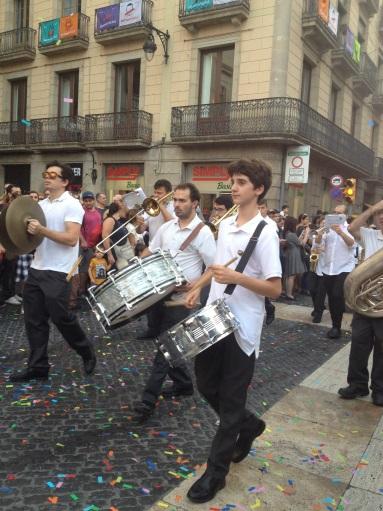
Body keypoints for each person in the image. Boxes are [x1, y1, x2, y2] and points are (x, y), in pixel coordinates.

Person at [185, 159, 282, 504]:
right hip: (214, 319)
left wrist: (238, 279)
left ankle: (215, 474)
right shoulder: (225, 224)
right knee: (206, 383)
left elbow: (274, 289)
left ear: (258, 189)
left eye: (241, 182)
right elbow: (219, 267)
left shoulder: (266, 231)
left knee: (230, 400)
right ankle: (250, 424)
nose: (233, 187)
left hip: (243, 326)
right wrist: (199, 285)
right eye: (232, 181)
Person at [133, 183, 216, 421]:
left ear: (195, 203)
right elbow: (150, 252)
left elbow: (214, 266)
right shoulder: (167, 227)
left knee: (165, 347)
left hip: (183, 299)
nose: (177, 204)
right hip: (160, 293)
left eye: (182, 201)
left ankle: (148, 400)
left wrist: (196, 285)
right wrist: (137, 257)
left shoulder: (203, 232)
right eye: (176, 200)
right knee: (166, 343)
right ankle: (184, 384)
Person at [9, 161, 97, 382]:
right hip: (37, 268)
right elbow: (33, 237)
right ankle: (38, 367)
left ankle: (86, 350)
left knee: (62, 318)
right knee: (34, 320)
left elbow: (70, 239)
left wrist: (41, 229)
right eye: (45, 174)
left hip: (59, 272)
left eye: (52, 175)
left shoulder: (72, 205)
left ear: (65, 181)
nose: (46, 178)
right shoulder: (41, 205)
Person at [338, 200, 383, 407]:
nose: (382, 217)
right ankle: (357, 384)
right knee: (358, 344)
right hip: (365, 303)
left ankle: (380, 389)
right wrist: (372, 209)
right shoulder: (370, 234)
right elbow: (352, 228)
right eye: (379, 214)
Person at [313, 205, 355, 339]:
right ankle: (335, 325)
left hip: (344, 267)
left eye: (339, 214)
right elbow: (317, 246)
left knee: (337, 294)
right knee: (332, 297)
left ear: (345, 216)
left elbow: (352, 244)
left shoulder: (350, 228)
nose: (336, 216)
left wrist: (340, 232)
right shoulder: (327, 227)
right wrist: (319, 235)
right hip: (328, 268)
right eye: (334, 212)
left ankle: (337, 326)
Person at [69, 191, 103, 309]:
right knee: (79, 270)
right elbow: (77, 228)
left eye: (90, 200)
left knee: (90, 268)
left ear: (94, 200)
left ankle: (85, 292)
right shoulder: (81, 212)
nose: (88, 203)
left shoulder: (98, 213)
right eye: (86, 200)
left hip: (94, 246)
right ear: (83, 201)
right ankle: (77, 295)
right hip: (82, 246)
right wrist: (82, 241)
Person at [258, 199, 278, 324]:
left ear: (267, 209)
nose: (260, 210)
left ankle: (269, 309)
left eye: (263, 208)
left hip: (265, 258)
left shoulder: (271, 224)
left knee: (262, 290)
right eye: (258, 207)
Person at [101, 202, 135, 270]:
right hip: (118, 255)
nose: (125, 211)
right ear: (119, 209)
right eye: (124, 209)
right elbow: (105, 237)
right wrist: (109, 255)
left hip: (126, 252)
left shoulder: (118, 221)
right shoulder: (110, 220)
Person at [282, 216, 308, 300]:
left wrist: (301, 235)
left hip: (291, 253)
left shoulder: (288, 233)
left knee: (289, 275)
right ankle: (289, 294)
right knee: (291, 275)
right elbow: (302, 244)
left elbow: (296, 241)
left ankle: (288, 292)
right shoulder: (291, 234)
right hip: (293, 254)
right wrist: (307, 234)